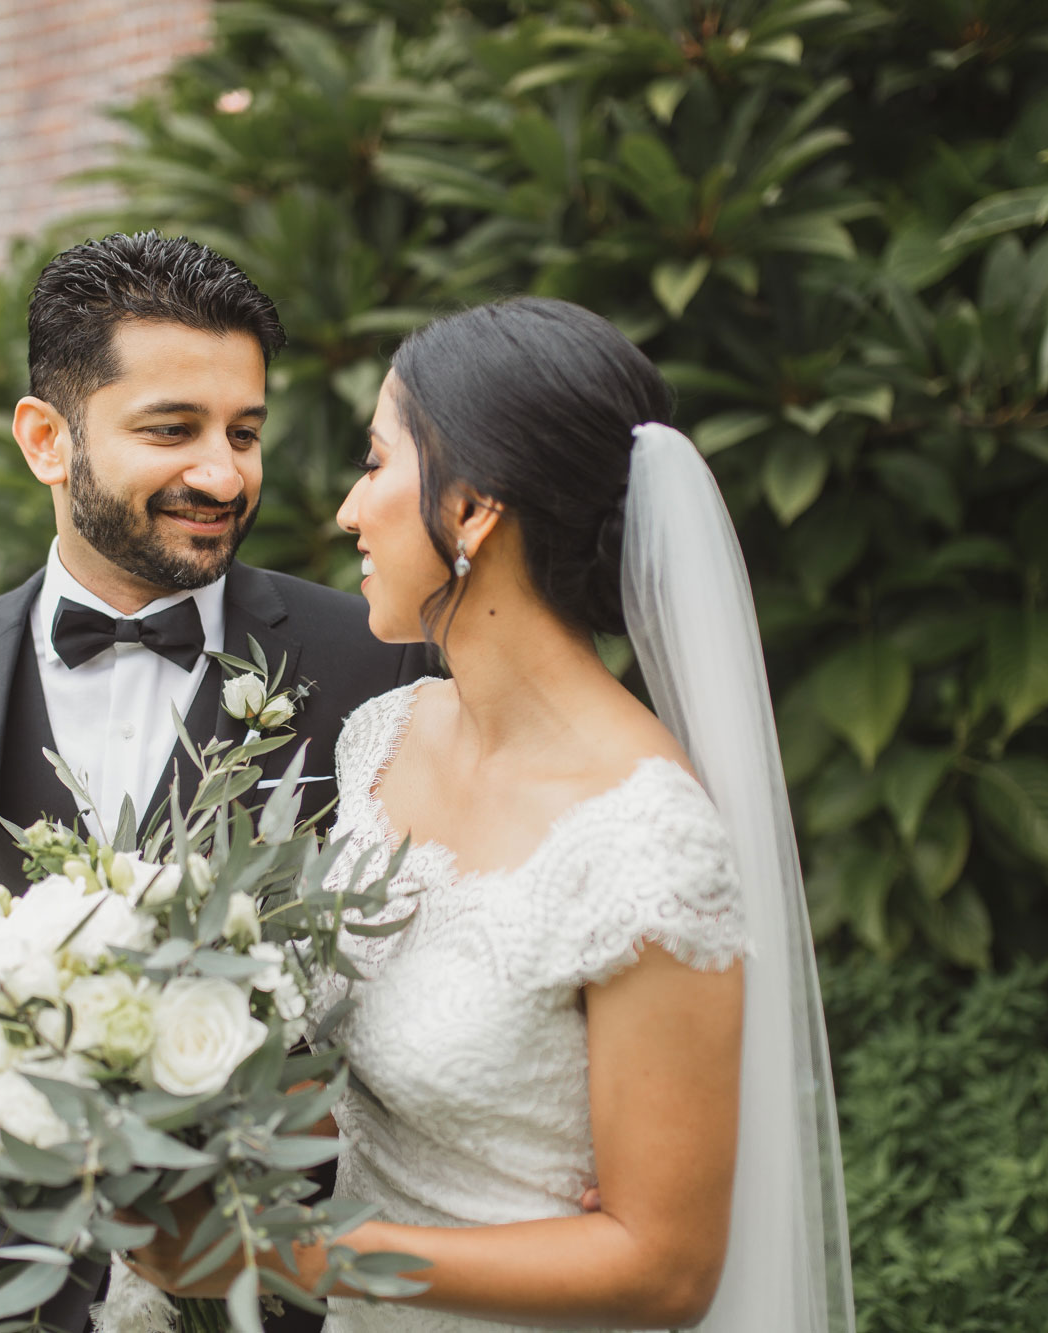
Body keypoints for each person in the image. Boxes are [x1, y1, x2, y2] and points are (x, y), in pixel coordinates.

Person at [121, 297, 854, 1332]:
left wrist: (290, 1251)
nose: (346, 509)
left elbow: (664, 1271)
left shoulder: (648, 839)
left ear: (469, 509)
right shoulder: (381, 738)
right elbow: (340, 1061)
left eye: (375, 464)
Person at [0, 232, 429, 1333]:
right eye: (172, 429)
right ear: (45, 440)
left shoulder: (374, 661)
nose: (223, 474)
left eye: (243, 433)